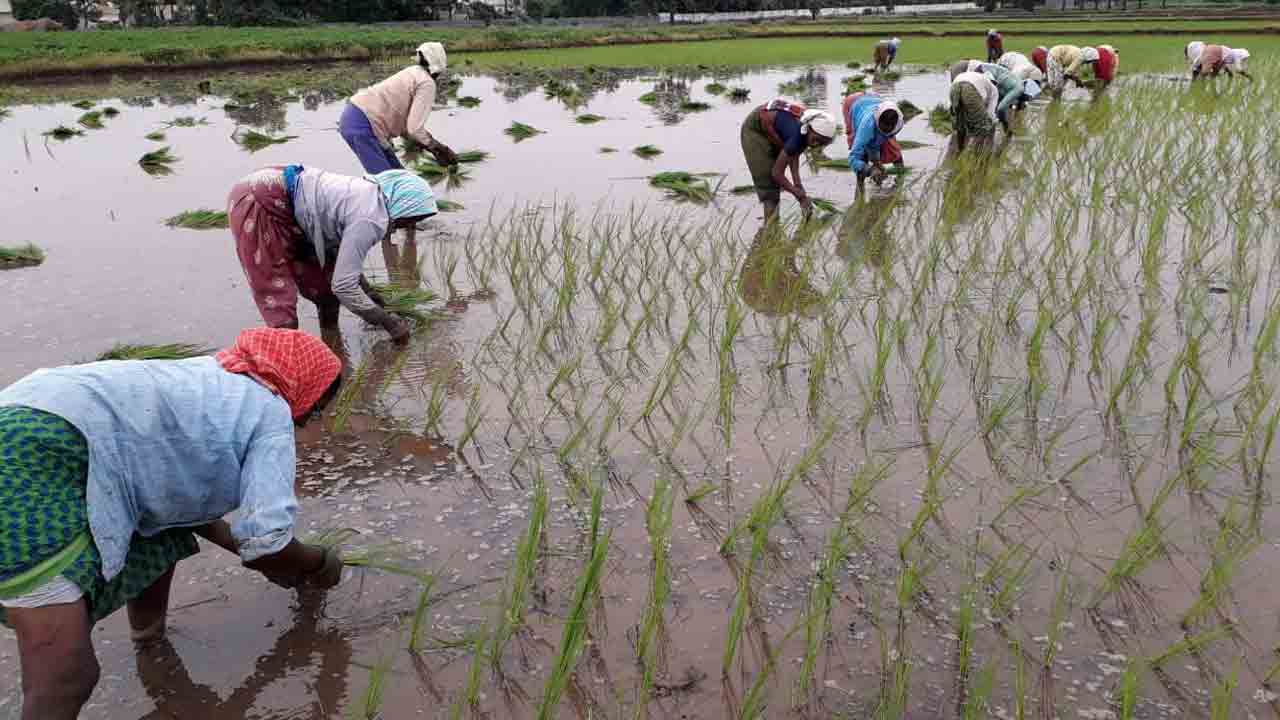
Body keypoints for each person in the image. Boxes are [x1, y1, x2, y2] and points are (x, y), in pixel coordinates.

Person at [0, 327, 346, 720]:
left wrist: (262, 556)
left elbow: (181, 511)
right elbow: (267, 543)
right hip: (29, 450)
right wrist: (317, 563)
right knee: (66, 676)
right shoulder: (270, 412)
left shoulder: (208, 379)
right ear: (304, 390)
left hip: (27, 407)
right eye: (316, 409)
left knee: (160, 533)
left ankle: (149, 641)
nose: (310, 419)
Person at [228, 166, 437, 343]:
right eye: (412, 219)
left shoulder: (375, 198)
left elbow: (343, 265)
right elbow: (344, 286)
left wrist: (375, 300)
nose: (409, 225)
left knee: (325, 287)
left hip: (294, 206)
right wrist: (388, 323)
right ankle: (287, 364)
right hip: (260, 200)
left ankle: (332, 345)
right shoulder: (371, 219)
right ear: (403, 205)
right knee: (278, 297)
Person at [340, 42, 458, 173]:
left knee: (400, 176)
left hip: (356, 116)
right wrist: (439, 148)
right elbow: (414, 129)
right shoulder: (427, 83)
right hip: (363, 124)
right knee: (388, 180)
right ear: (438, 69)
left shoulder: (413, 71)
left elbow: (406, 127)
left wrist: (428, 147)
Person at [740, 98, 836, 221]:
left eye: (822, 143)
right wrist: (799, 196)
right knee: (769, 187)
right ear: (809, 129)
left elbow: (793, 153)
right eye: (816, 139)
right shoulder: (797, 133)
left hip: (777, 128)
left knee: (780, 178)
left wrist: (798, 184)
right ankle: (771, 226)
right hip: (756, 130)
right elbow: (777, 173)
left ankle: (773, 225)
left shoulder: (805, 133)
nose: (816, 144)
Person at [844, 92, 904, 192]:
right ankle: (860, 191)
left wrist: (877, 163)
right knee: (862, 156)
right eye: (883, 129)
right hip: (853, 103)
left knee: (894, 152)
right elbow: (852, 159)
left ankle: (899, 187)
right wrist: (870, 169)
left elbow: (876, 142)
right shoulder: (866, 127)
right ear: (877, 122)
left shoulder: (897, 123)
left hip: (875, 98)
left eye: (889, 129)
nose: (886, 131)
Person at [977, 62, 1042, 132]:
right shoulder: (1019, 89)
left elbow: (1002, 101)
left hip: (984, 69)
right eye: (1028, 98)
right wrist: (1005, 125)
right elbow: (1001, 108)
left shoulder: (1017, 83)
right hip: (984, 72)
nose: (1027, 99)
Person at [950, 70, 999, 151]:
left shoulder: (979, 78)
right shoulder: (994, 89)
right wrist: (992, 123)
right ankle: (977, 153)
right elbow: (991, 113)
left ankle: (960, 150)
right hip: (969, 88)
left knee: (960, 123)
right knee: (983, 125)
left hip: (954, 86)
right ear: (993, 82)